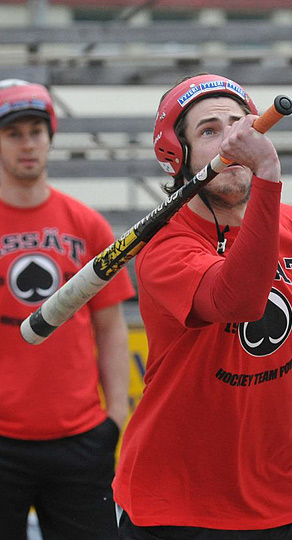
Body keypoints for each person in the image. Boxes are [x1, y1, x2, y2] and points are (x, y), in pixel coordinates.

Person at [113, 73, 292, 540]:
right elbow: (237, 300)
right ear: (177, 157)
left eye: (240, 124)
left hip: (288, 500)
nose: (233, 138)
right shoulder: (165, 244)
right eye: (210, 130)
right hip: (175, 504)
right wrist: (270, 178)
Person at [0, 79, 135, 540]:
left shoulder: (86, 224)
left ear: (50, 137)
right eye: (13, 133)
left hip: (79, 441)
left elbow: (111, 327)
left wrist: (114, 417)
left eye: (36, 131)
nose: (27, 144)